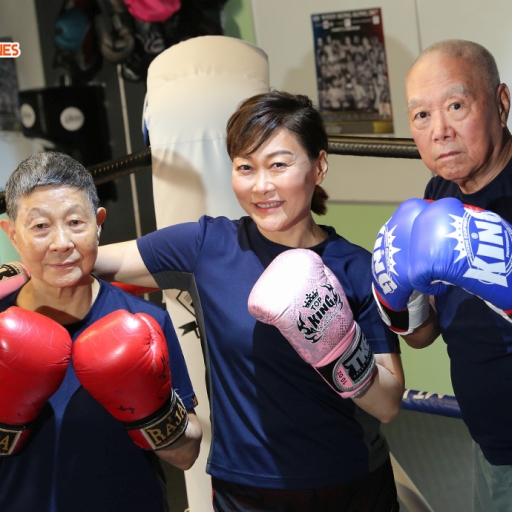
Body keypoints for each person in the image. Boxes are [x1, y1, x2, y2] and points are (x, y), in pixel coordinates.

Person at [92, 90, 404, 511]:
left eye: (278, 164)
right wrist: (19, 270)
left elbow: (387, 404)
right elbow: (93, 260)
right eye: (245, 167)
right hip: (249, 489)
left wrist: (339, 346)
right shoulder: (207, 246)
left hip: (351, 481)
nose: (261, 185)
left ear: (319, 166)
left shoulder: (355, 267)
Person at [0, 151, 202, 512]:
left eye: (75, 222)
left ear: (99, 223)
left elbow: (186, 455)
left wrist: (153, 416)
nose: (61, 242)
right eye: (41, 226)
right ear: (12, 234)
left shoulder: (145, 322)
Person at [371, 39, 512, 512]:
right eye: (421, 116)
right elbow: (425, 335)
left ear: (501, 103)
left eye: (456, 105)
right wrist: (399, 305)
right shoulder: (439, 193)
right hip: (491, 445)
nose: (440, 131)